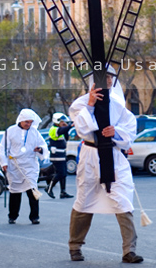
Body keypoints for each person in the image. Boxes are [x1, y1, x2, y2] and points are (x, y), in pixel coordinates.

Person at [68, 69, 143, 264]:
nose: (107, 80)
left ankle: (129, 250)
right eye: (103, 77)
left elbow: (129, 133)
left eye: (110, 77)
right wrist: (91, 106)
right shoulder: (80, 104)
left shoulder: (119, 105)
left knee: (123, 200)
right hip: (90, 156)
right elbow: (82, 128)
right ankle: (75, 246)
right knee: (84, 200)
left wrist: (115, 132)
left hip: (113, 156)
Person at [0, 109, 48, 225]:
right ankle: (13, 215)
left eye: (30, 122)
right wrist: (4, 163)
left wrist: (40, 150)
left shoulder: (35, 132)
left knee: (32, 190)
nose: (28, 124)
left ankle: (34, 216)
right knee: (15, 191)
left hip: (30, 165)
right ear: (21, 120)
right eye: (26, 122)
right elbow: (3, 148)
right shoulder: (10, 131)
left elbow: (43, 145)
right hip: (14, 165)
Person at [45, 112, 74, 199]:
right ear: (57, 121)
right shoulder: (53, 129)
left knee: (64, 174)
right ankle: (49, 188)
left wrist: (66, 127)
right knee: (61, 173)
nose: (64, 123)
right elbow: (61, 131)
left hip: (62, 154)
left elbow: (66, 136)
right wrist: (70, 126)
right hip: (56, 155)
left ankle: (63, 192)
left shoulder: (61, 128)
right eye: (62, 122)